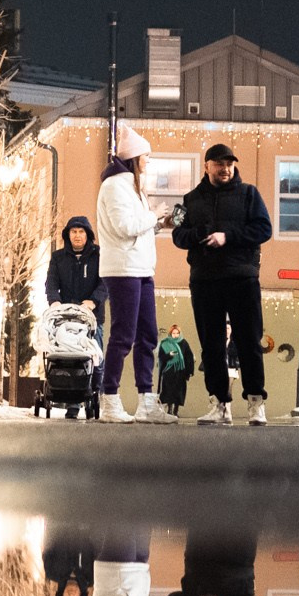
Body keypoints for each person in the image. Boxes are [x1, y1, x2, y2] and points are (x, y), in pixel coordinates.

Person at [170, 142, 274, 426]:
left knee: (249, 342)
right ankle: (219, 404)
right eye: (219, 164)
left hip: (242, 277)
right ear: (207, 166)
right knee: (211, 345)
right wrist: (201, 233)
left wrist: (227, 235)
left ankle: (255, 402)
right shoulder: (192, 199)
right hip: (205, 279)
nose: (225, 169)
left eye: (229, 164)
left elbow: (264, 229)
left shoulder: (249, 194)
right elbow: (178, 236)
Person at [93, 125, 169, 421]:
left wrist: (157, 223)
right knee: (123, 335)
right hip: (123, 269)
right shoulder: (115, 186)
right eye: (146, 156)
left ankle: (146, 400)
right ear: (134, 157)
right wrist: (155, 215)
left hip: (140, 268)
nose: (148, 161)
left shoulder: (132, 187)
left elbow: (136, 226)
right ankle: (109, 398)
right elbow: (125, 227)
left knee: (147, 335)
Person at [45, 216, 104, 325]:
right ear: (68, 234)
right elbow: (51, 282)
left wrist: (93, 301)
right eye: (74, 231)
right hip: (64, 317)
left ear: (87, 234)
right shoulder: (58, 257)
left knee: (94, 342)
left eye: (81, 231)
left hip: (92, 317)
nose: (77, 235)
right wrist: (54, 302)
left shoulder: (99, 255)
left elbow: (104, 283)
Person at [156, 324, 196, 418]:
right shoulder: (165, 343)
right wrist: (169, 355)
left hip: (180, 372)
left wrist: (189, 371)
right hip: (169, 371)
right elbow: (161, 357)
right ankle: (169, 409)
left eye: (177, 333)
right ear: (170, 333)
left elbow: (188, 357)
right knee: (169, 390)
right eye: (173, 333)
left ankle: (176, 410)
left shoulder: (183, 343)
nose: (175, 335)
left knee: (179, 391)